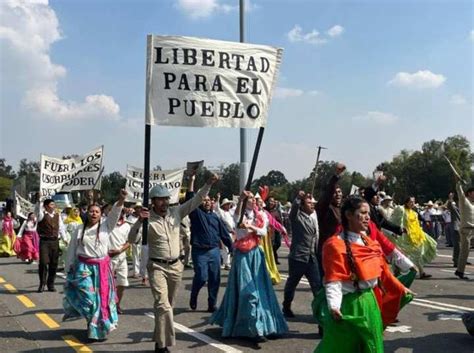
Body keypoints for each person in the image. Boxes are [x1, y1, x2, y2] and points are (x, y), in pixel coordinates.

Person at [128, 174, 218, 353]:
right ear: (153, 201)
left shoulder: (176, 212)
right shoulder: (147, 219)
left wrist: (208, 183)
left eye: (166, 199)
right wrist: (140, 221)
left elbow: (196, 200)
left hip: (176, 267)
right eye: (160, 200)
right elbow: (132, 239)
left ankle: (158, 341)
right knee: (163, 306)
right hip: (157, 267)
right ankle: (164, 345)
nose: (164, 203)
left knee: (167, 306)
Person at [313, 196, 413, 353]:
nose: (368, 217)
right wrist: (334, 306)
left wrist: (401, 287)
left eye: (369, 213)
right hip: (350, 305)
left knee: (372, 346)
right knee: (344, 348)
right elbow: (334, 279)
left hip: (370, 303)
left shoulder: (370, 243)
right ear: (349, 215)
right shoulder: (335, 245)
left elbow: (384, 273)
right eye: (363, 213)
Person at [210, 191, 288, 346]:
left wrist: (251, 226)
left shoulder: (261, 216)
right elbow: (237, 223)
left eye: (254, 198)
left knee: (260, 291)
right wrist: (240, 203)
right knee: (247, 293)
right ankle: (253, 329)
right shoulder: (237, 214)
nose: (253, 201)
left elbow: (263, 232)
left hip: (256, 255)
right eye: (250, 198)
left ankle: (261, 327)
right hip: (242, 257)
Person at [63, 189, 126, 340]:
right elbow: (72, 249)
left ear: (100, 214)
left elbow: (115, 213)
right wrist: (69, 267)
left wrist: (121, 200)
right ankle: (91, 319)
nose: (94, 214)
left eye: (97, 212)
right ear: (87, 213)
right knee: (88, 299)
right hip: (84, 267)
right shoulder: (79, 229)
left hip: (102, 268)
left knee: (101, 301)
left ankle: (95, 326)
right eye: (91, 211)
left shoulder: (106, 226)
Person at [187, 174, 233, 313]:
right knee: (201, 277)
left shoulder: (215, 217)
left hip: (214, 251)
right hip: (199, 251)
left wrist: (232, 247)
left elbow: (224, 234)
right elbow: (190, 200)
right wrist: (191, 181)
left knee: (215, 279)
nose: (207, 202)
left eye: (209, 200)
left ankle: (211, 304)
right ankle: (194, 295)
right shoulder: (196, 214)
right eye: (204, 200)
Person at [282, 191, 321, 318]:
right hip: (298, 258)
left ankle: (320, 314)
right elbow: (293, 210)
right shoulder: (297, 217)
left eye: (312, 203)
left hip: (311, 258)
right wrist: (298, 197)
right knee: (292, 284)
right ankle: (286, 306)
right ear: (302, 206)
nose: (312, 205)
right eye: (309, 203)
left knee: (317, 287)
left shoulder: (313, 217)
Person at [389, 197, 437, 279]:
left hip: (415, 237)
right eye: (410, 202)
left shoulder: (414, 213)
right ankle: (397, 271)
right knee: (401, 254)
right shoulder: (401, 210)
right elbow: (397, 221)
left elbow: (416, 225)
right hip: (404, 237)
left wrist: (421, 234)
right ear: (406, 202)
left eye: (413, 202)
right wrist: (396, 231)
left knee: (418, 254)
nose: (412, 203)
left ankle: (422, 272)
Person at [315, 163, 345, 272]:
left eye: (340, 192)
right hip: (326, 250)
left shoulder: (342, 209)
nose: (338, 195)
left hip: (339, 250)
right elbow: (327, 194)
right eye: (335, 192)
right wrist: (336, 176)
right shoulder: (325, 208)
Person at [35, 198, 66, 292]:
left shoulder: (58, 215)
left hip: (55, 242)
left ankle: (50, 284)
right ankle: (42, 284)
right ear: (46, 206)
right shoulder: (41, 215)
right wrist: (38, 201)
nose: (53, 206)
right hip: (44, 241)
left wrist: (65, 238)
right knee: (43, 263)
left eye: (54, 204)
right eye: (51, 205)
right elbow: (37, 210)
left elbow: (61, 228)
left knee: (54, 264)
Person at [257, 196, 287, 285]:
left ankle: (269, 274)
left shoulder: (265, 212)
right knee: (260, 257)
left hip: (266, 237)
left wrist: (282, 228)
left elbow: (274, 222)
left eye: (261, 201)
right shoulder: (253, 213)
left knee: (268, 256)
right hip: (257, 238)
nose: (260, 203)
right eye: (258, 201)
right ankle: (261, 276)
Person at [108, 209, 131, 314]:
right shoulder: (106, 224)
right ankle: (106, 305)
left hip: (121, 257)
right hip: (108, 258)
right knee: (107, 284)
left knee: (122, 283)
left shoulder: (126, 226)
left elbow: (128, 242)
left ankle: (117, 304)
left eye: (121, 212)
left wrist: (120, 250)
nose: (118, 213)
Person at [454, 181, 474, 280]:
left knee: (465, 251)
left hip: (473, 230)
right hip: (466, 230)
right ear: (470, 193)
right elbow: (459, 191)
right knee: (464, 251)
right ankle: (460, 271)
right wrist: (459, 183)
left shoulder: (473, 204)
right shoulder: (464, 201)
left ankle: (459, 271)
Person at [214, 193, 235, 270]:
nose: (229, 205)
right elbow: (216, 207)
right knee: (224, 248)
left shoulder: (230, 213)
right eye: (227, 204)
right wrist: (218, 198)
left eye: (229, 204)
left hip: (231, 232)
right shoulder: (221, 212)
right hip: (224, 232)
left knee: (228, 248)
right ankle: (225, 263)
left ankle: (226, 262)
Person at [267, 196, 284, 265]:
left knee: (278, 243)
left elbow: (280, 220)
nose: (271, 203)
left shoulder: (276, 211)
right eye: (270, 201)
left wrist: (282, 228)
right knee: (272, 245)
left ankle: (272, 255)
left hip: (276, 230)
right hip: (269, 231)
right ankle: (274, 258)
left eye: (273, 201)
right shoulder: (265, 210)